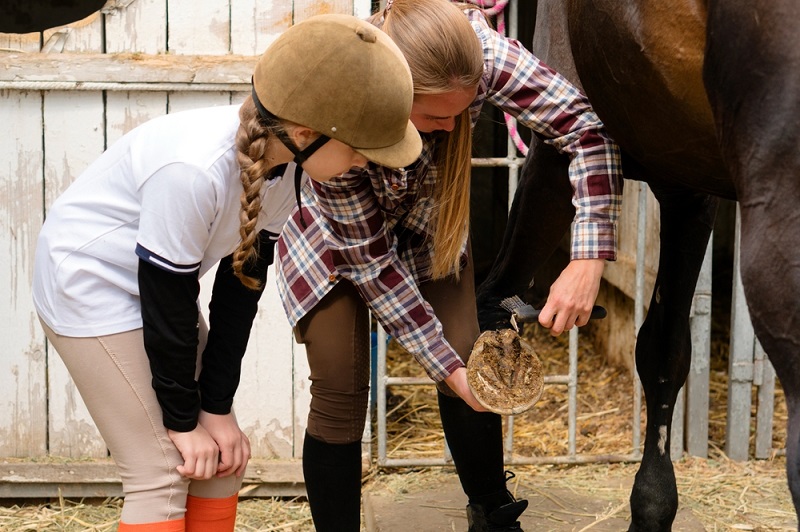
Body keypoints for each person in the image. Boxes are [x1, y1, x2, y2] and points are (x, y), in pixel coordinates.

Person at [32, 14, 421, 532]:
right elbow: (168, 299)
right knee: (163, 471)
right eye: (358, 150)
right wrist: (182, 420)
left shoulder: (286, 171)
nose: (364, 164)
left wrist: (215, 408)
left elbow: (239, 293)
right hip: (88, 283)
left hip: (155, 292)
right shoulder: (193, 171)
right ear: (306, 132)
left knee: (221, 462)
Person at [274, 1, 624, 531]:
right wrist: (444, 367)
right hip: (337, 239)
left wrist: (589, 256)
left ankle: (492, 515)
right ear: (394, 93)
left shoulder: (482, 56)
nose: (455, 126)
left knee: (470, 356)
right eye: (437, 115)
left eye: (465, 109)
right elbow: (374, 267)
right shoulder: (349, 93)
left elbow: (586, 128)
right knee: (341, 390)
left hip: (433, 222)